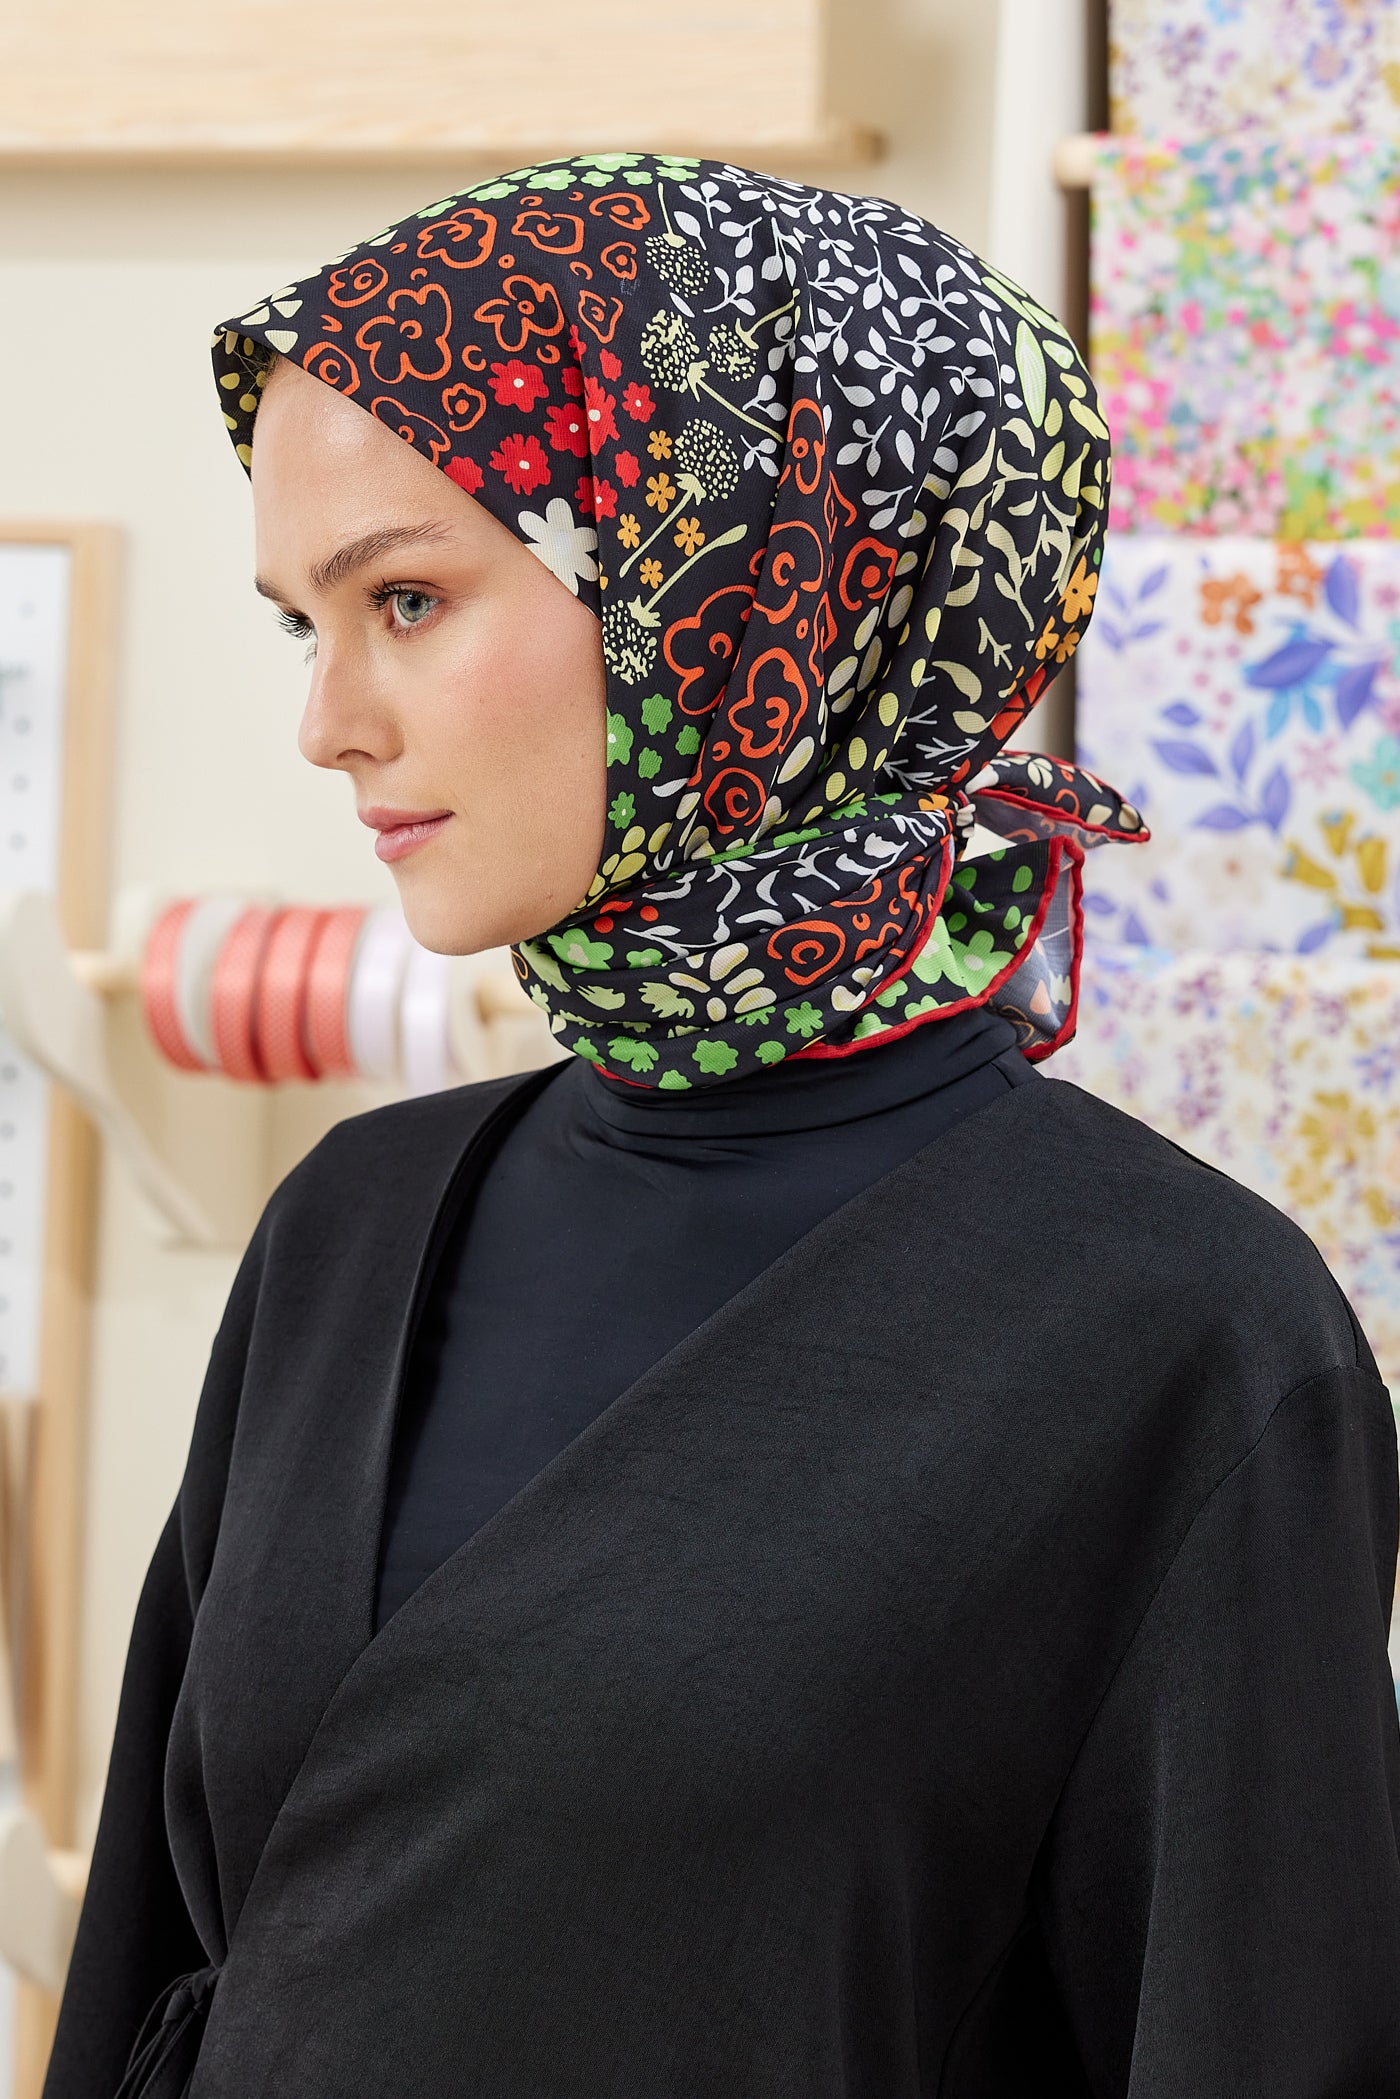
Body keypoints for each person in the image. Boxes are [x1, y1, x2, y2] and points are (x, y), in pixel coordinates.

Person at [46, 155, 1400, 2099]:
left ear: (740, 586)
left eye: (406, 600)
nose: (329, 721)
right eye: (301, 625)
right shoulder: (350, 1226)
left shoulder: (1185, 1337)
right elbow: (158, 1983)